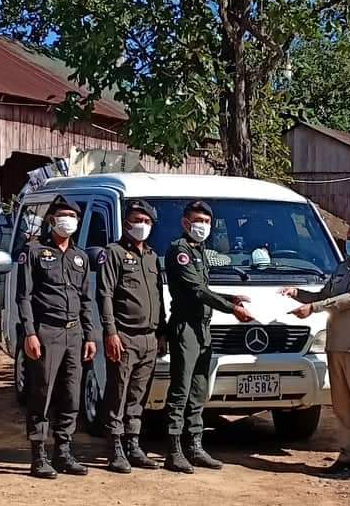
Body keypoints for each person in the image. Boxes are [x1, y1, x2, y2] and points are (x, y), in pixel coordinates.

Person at [289, 216, 350, 475]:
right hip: (335, 345)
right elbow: (325, 295)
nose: (349, 243)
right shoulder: (343, 267)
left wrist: (313, 308)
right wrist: (298, 294)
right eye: (348, 238)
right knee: (341, 404)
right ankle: (347, 454)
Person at [162, 200, 255, 474]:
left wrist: (230, 297)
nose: (202, 226)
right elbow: (195, 290)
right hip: (186, 328)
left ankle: (195, 446)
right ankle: (174, 450)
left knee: (199, 389)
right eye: (197, 221)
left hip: (203, 328)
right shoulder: (180, 250)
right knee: (181, 389)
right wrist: (232, 309)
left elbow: (205, 288)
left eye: (206, 222)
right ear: (185, 223)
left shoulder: (200, 251)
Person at [16, 197, 99, 479]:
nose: (68, 220)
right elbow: (24, 296)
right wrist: (30, 333)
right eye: (63, 215)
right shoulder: (34, 251)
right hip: (46, 331)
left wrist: (90, 336)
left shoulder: (80, 257)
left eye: (72, 216)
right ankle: (38, 455)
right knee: (42, 392)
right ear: (52, 220)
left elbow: (86, 300)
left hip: (74, 333)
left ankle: (63, 452)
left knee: (71, 394)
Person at [98, 198, 165, 473]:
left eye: (147, 221)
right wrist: (110, 332)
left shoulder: (151, 256)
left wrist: (161, 332)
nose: (142, 225)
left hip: (149, 338)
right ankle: (114, 446)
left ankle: (133, 444)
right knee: (118, 392)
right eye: (137, 220)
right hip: (124, 336)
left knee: (138, 394)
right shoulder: (113, 253)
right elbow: (105, 294)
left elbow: (158, 296)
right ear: (126, 223)